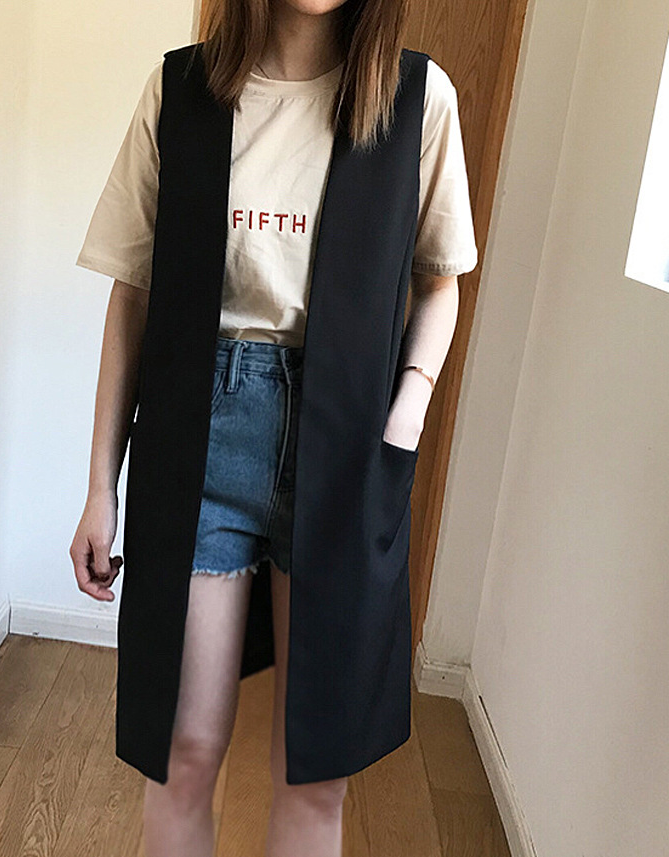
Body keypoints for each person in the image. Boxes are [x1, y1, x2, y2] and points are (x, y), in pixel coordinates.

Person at [70, 1, 477, 854]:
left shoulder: (417, 99)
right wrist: (101, 486)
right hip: (200, 436)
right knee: (182, 753)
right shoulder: (181, 91)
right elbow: (132, 294)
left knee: (315, 769)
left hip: (349, 446)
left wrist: (404, 418)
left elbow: (440, 278)